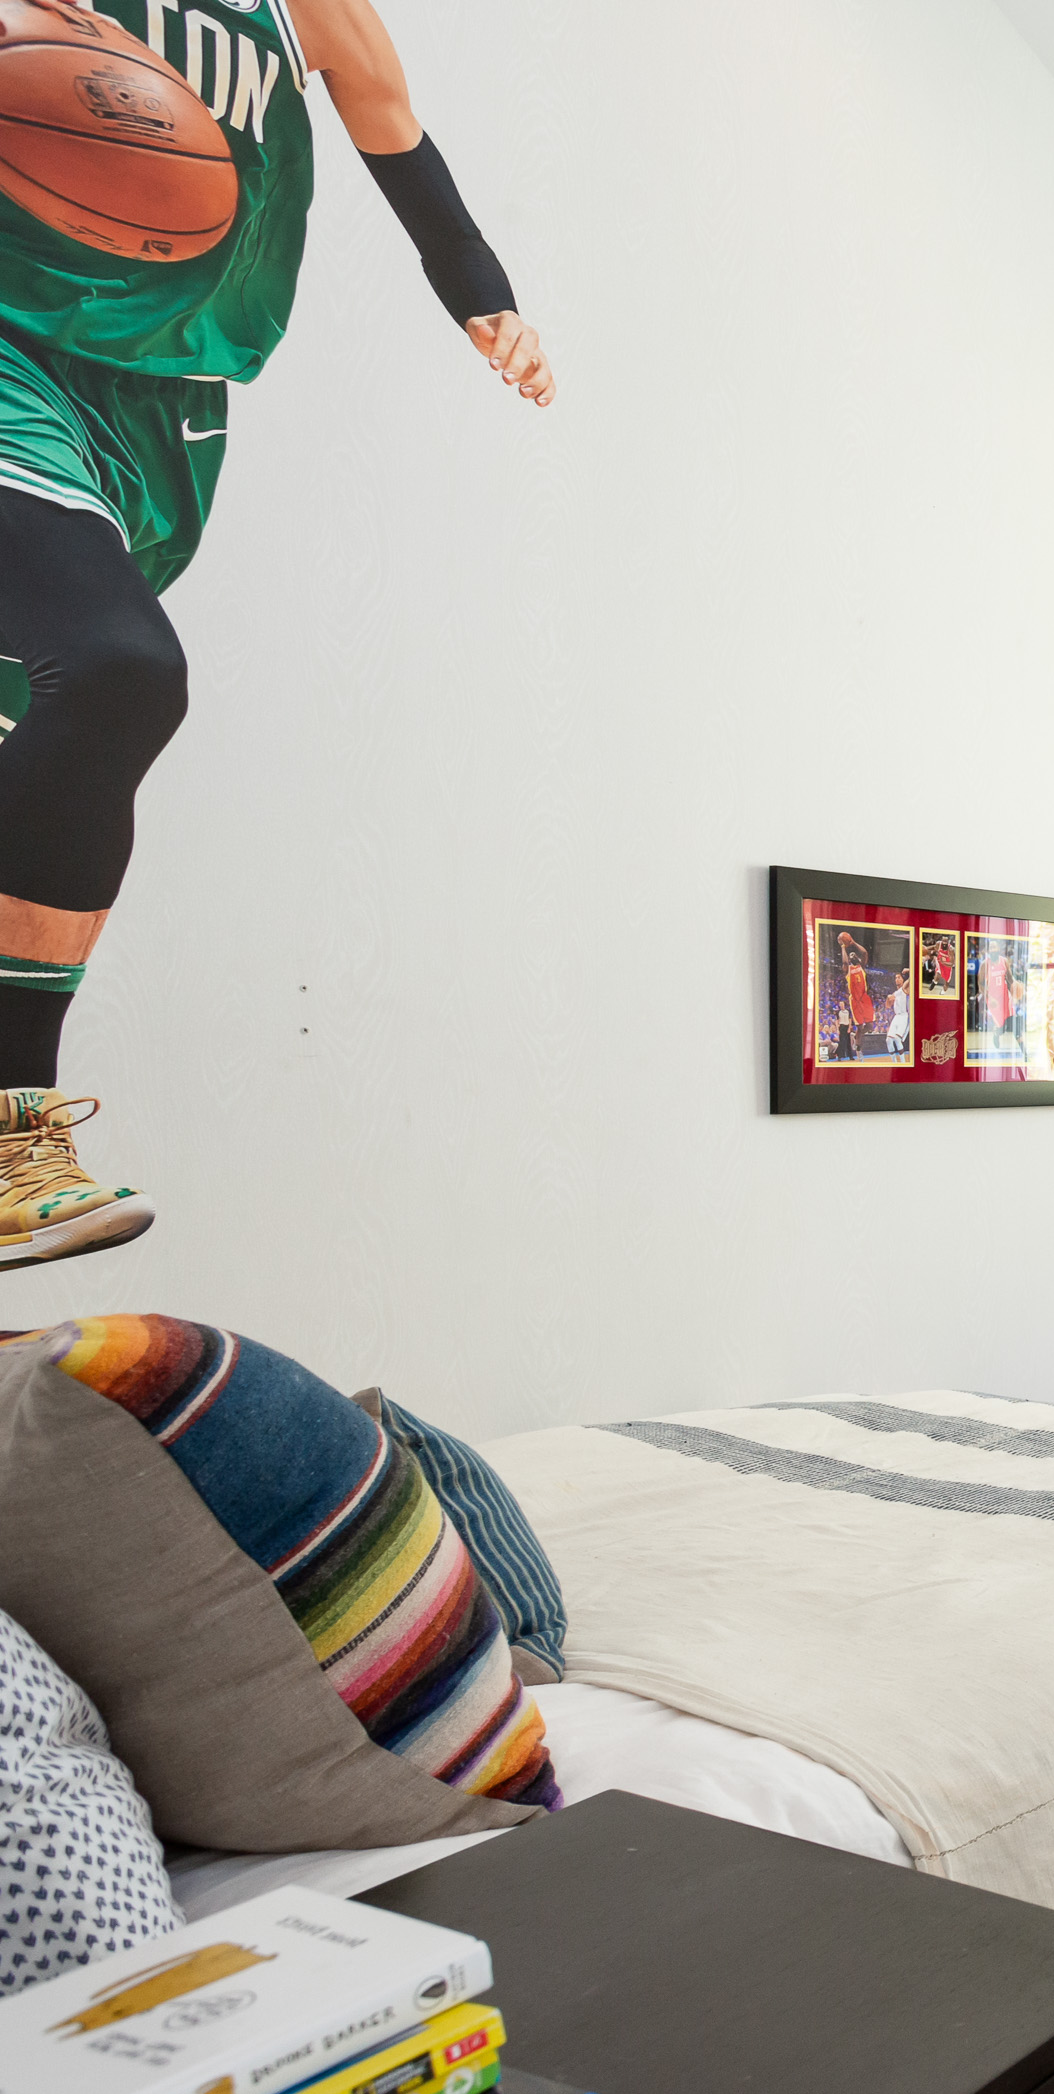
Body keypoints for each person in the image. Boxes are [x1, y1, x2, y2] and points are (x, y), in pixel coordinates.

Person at [0, 0, 553, 1269]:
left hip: (157, 402)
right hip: (11, 346)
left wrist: (486, 298)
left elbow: (392, 127)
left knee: (54, 717)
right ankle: (11, 1124)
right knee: (121, 670)